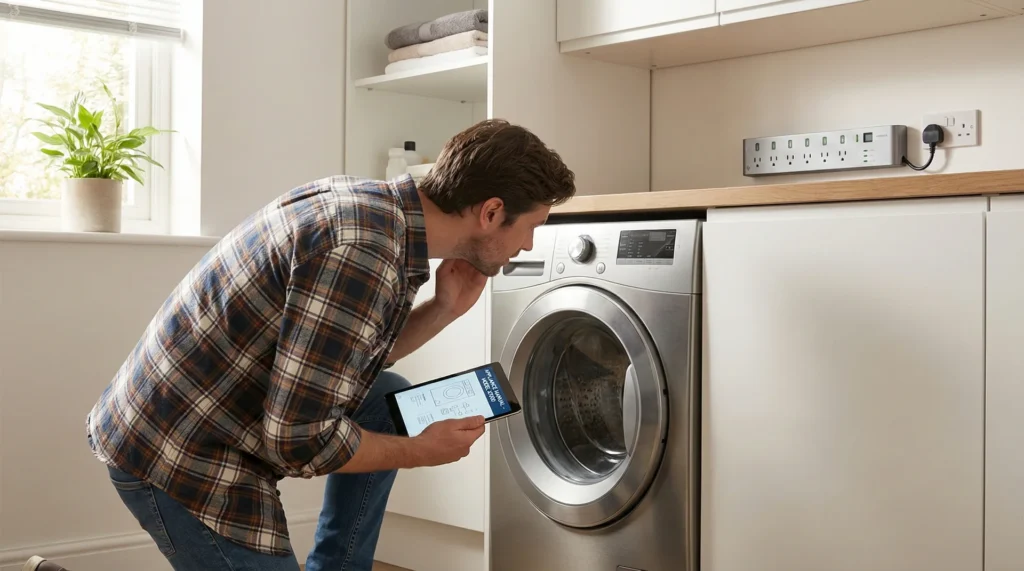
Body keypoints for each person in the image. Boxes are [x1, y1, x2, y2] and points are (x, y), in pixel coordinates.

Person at [85, 119, 576, 571]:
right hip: (180, 454)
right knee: (390, 424)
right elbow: (300, 441)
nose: (528, 246)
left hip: (205, 417)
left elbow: (336, 363)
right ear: (492, 212)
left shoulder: (374, 209)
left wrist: (443, 309)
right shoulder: (363, 252)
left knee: (387, 399)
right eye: (531, 227)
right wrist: (421, 451)